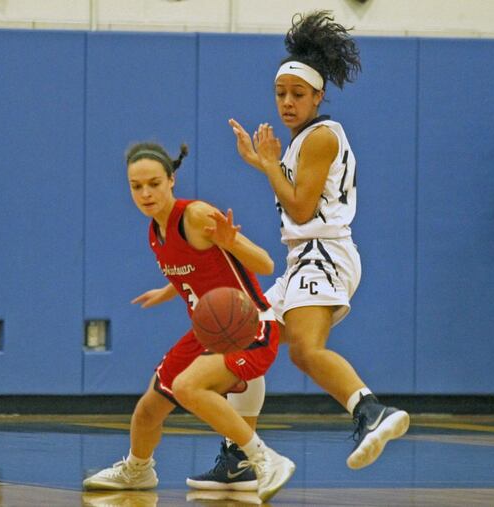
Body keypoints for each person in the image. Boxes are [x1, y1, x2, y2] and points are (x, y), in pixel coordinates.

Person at [187, 11, 410, 491]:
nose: (287, 103)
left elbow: (304, 210)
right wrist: (264, 162)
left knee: (307, 351)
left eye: (298, 95)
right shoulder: (303, 141)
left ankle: (372, 411)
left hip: (323, 253)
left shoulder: (323, 136)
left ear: (319, 96)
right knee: (248, 340)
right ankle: (240, 456)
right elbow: (299, 198)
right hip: (305, 257)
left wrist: (268, 167)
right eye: (281, 94)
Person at [82, 142, 295, 503]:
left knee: (187, 386)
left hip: (248, 326)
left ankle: (263, 459)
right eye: (136, 186)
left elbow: (265, 264)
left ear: (171, 180)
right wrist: (165, 292)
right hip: (207, 331)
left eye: (153, 183)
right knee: (150, 406)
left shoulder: (195, 215)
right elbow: (193, 271)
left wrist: (233, 243)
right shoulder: (155, 231)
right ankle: (138, 469)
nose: (146, 193)